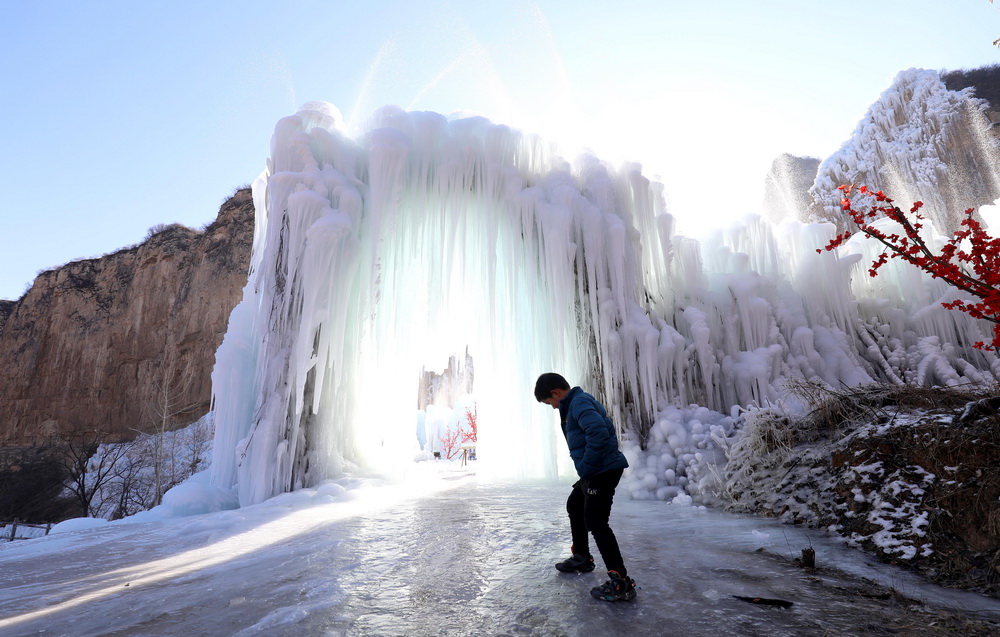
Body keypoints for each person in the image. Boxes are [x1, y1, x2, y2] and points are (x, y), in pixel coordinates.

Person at [534, 372, 637, 602]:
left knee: (596, 522)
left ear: (555, 393)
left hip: (602, 471)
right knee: (575, 504)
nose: (551, 407)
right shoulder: (574, 404)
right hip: (595, 471)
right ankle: (582, 557)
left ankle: (621, 581)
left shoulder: (579, 403)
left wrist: (587, 468)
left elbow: (598, 433)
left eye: (549, 402)